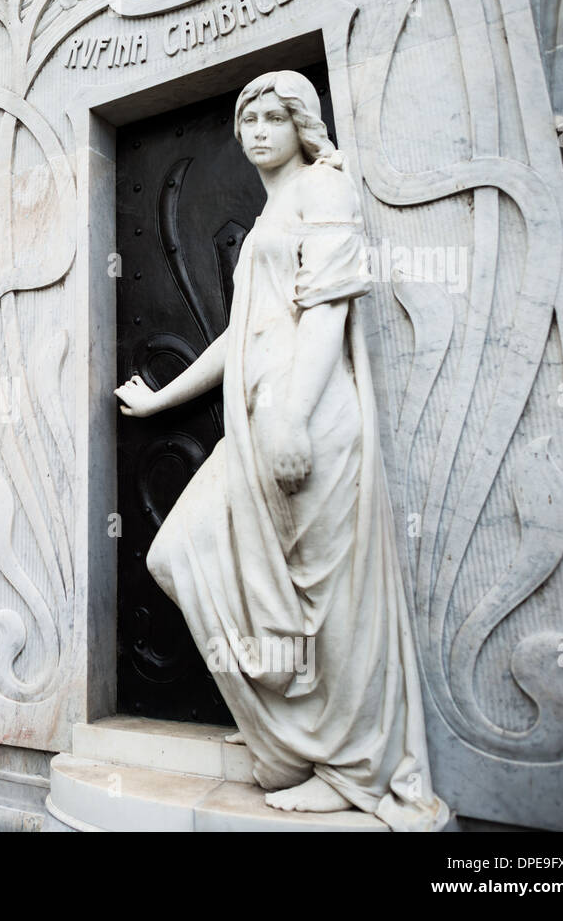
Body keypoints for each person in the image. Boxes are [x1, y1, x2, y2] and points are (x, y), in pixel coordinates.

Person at [114, 70, 449, 831]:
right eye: (248, 118)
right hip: (259, 420)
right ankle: (287, 731)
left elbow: (327, 314)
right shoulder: (273, 213)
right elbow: (244, 334)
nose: (257, 130)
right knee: (178, 554)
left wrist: (295, 416)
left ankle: (351, 768)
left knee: (329, 604)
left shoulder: (325, 192)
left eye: (274, 116)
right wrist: (163, 398)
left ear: (305, 124)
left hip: (310, 420)